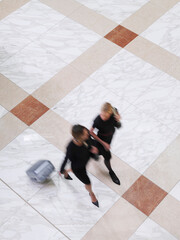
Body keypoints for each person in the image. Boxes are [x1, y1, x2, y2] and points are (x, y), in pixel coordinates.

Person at [60, 124, 99, 207]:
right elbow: (66, 159)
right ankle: (91, 193)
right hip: (78, 168)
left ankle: (67, 171)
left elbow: (92, 143)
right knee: (88, 183)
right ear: (79, 137)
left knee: (74, 169)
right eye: (85, 134)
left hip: (85, 160)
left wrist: (93, 149)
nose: (88, 134)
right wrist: (61, 169)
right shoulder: (71, 147)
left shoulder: (86, 138)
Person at [90, 102, 121, 185]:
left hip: (109, 136)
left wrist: (118, 117)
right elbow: (91, 132)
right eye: (102, 114)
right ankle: (111, 171)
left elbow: (118, 117)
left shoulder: (113, 112)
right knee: (107, 156)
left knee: (98, 151)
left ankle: (94, 152)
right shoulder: (97, 120)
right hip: (102, 139)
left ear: (110, 113)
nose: (103, 117)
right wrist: (104, 143)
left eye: (105, 116)